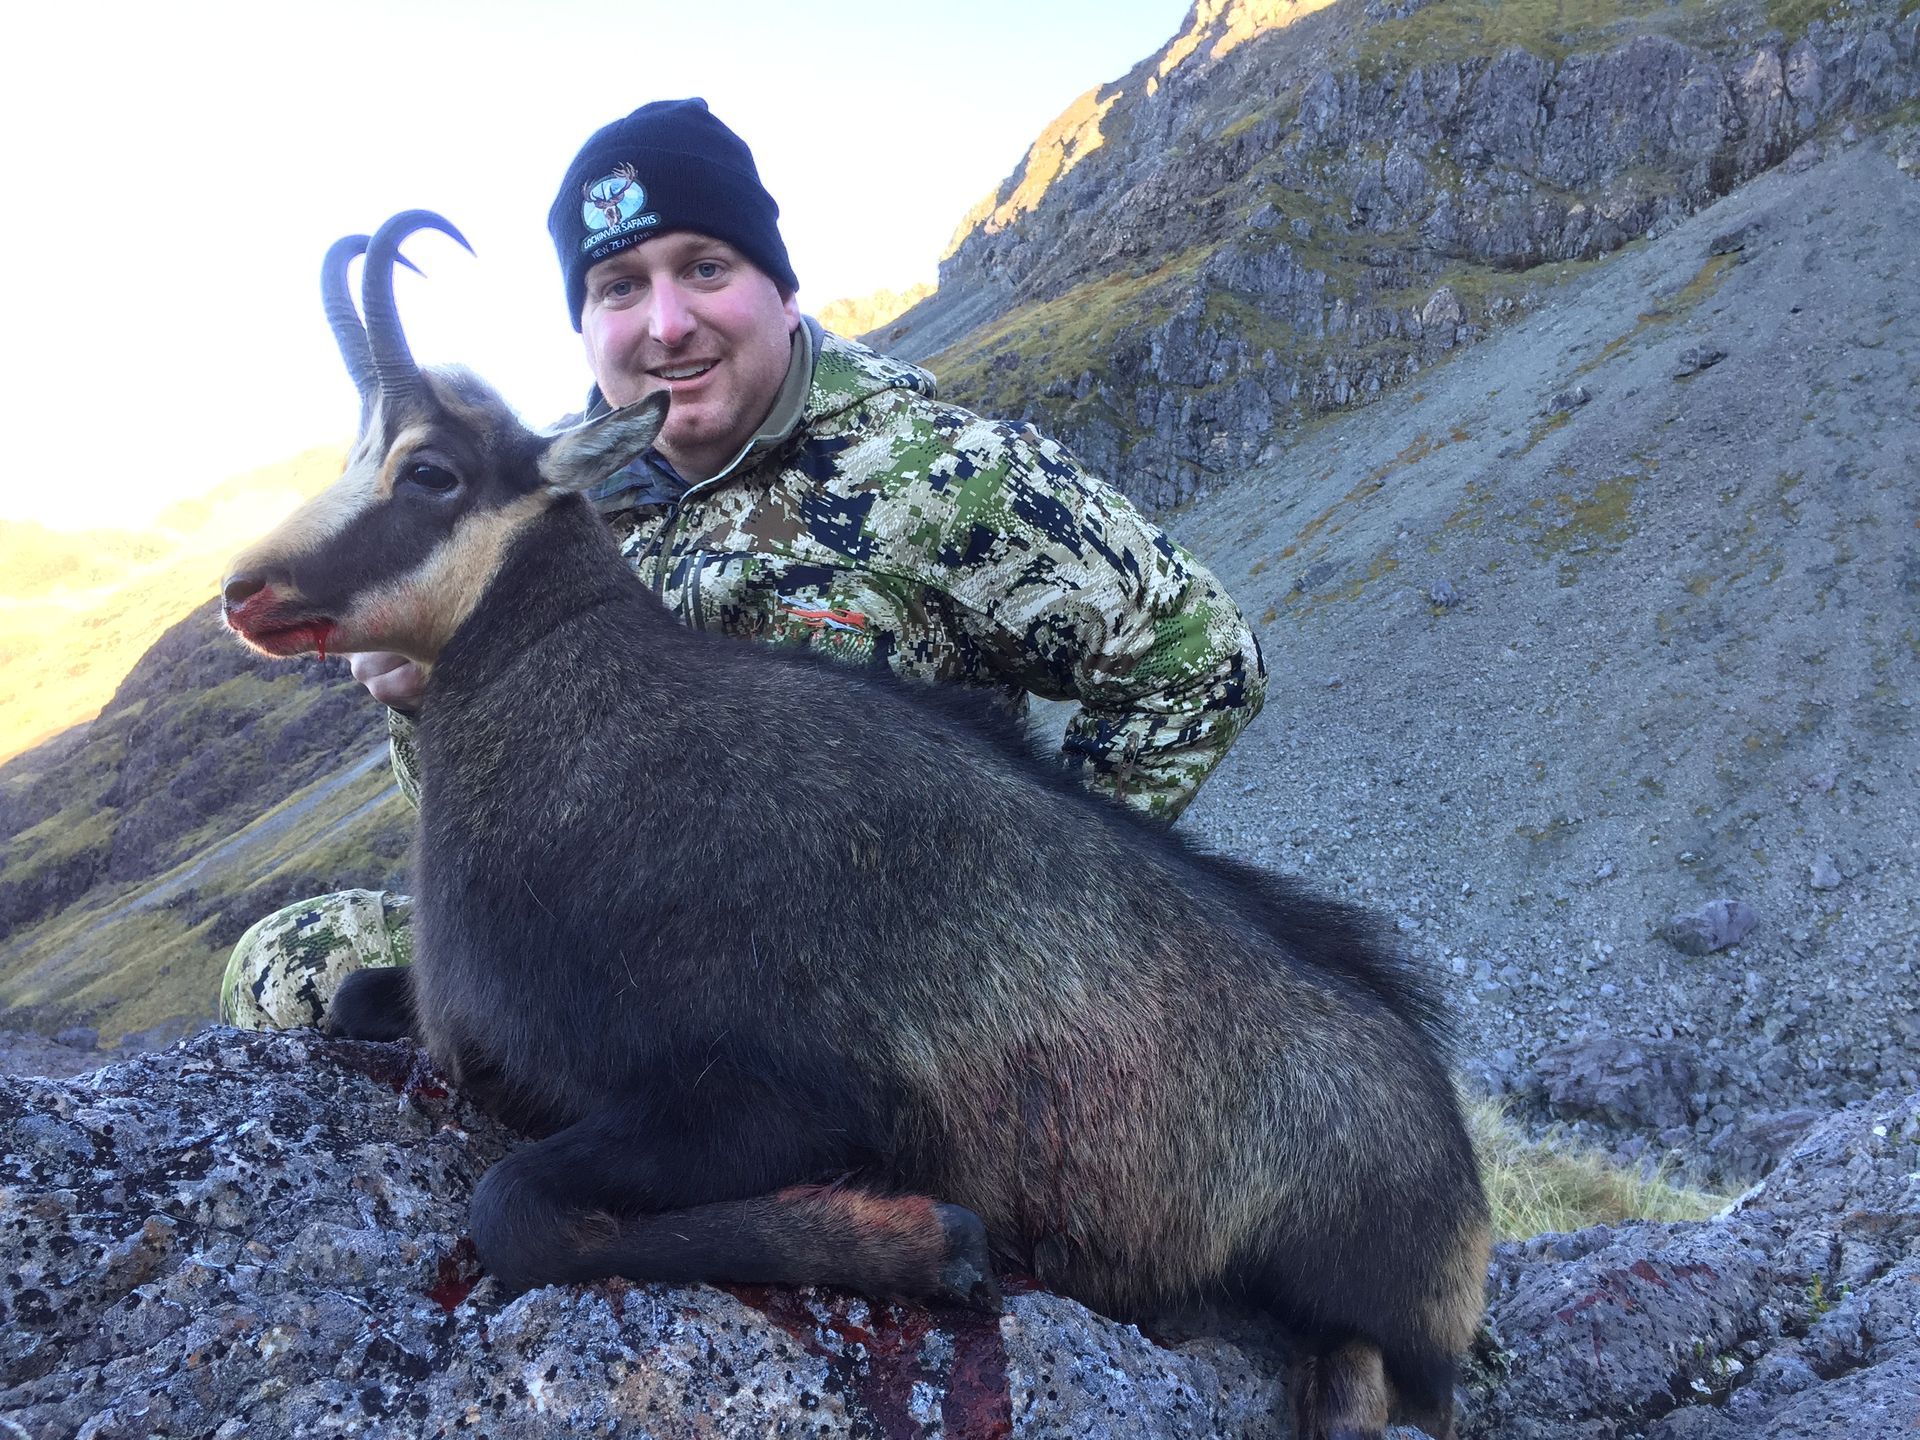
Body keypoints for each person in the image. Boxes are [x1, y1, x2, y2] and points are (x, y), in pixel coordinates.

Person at [220, 98, 1267, 1032]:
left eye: (705, 269)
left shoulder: (943, 476)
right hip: (613, 946)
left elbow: (1199, 660)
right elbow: (497, 818)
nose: (668, 323)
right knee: (290, 964)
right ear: (585, 327)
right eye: (620, 286)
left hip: (852, 990)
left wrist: (1028, 915)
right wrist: (424, 699)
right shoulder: (539, 502)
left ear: (783, 291)